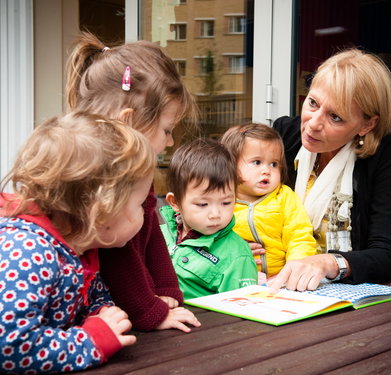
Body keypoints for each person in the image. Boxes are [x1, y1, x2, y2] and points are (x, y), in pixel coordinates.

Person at [65, 31, 200, 332]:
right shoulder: (104, 175)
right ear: (128, 122)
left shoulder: (136, 169)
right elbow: (118, 252)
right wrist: (150, 312)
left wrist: (168, 292)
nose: (171, 140)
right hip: (95, 318)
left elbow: (149, 229)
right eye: (166, 130)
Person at [0, 112, 155, 373]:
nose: (146, 211)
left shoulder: (79, 248)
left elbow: (92, 295)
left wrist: (102, 313)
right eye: (139, 205)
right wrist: (91, 341)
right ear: (101, 210)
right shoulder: (28, 251)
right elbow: (10, 345)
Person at [270, 48, 391, 292]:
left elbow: (387, 254)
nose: (313, 123)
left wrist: (328, 262)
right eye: (312, 103)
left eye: (335, 117)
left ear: (367, 124)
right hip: (274, 284)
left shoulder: (385, 156)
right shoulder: (284, 135)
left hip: (339, 297)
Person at [159, 138, 258, 299]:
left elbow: (242, 311)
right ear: (175, 202)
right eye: (203, 204)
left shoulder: (237, 255)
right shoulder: (158, 235)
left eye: (226, 202)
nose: (215, 214)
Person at [220, 123, 317, 281]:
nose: (266, 170)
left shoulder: (284, 197)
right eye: (257, 162)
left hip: (281, 279)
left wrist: (295, 269)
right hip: (233, 280)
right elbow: (207, 237)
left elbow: (299, 235)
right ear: (231, 164)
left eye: (274, 164)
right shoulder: (222, 201)